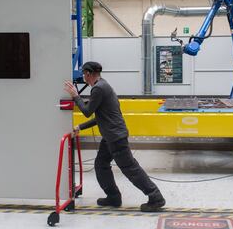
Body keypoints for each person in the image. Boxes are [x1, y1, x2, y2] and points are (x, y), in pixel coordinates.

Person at [64, 61, 166, 212]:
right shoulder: (102, 85)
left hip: (115, 137)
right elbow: (100, 116)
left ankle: (155, 197)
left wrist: (75, 96)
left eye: (84, 74)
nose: (83, 76)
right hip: (110, 136)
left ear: (88, 74)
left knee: (130, 168)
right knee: (101, 164)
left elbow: (87, 111)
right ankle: (113, 197)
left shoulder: (98, 89)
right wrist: (80, 127)